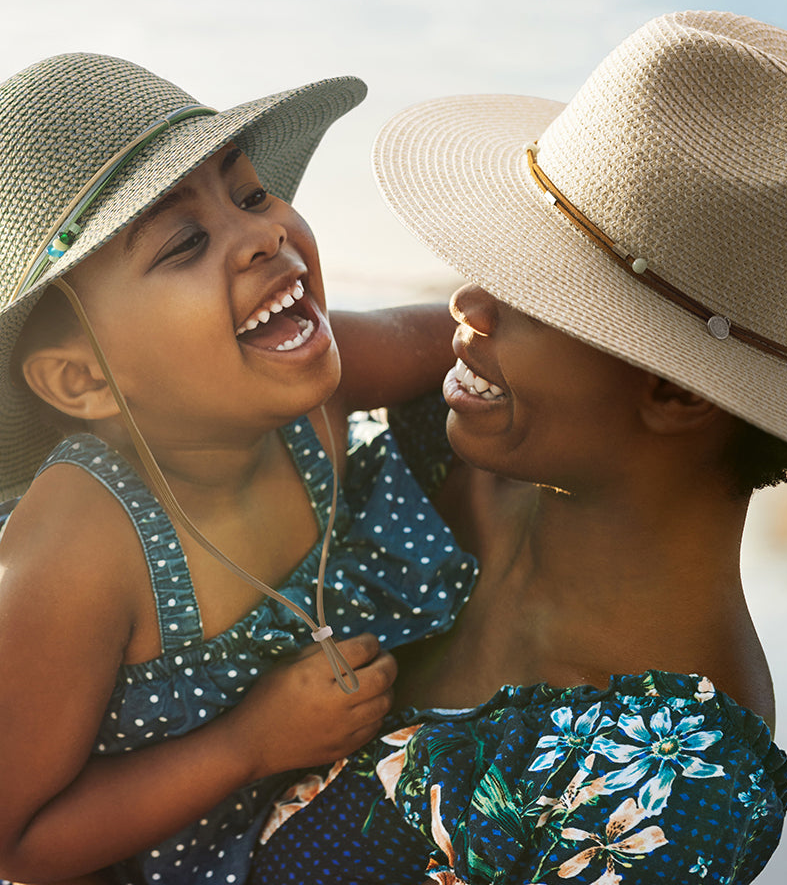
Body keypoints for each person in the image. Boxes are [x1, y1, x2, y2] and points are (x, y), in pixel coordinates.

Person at [249, 10, 787, 884]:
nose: (469, 302)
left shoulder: (669, 794)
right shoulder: (448, 429)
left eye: (538, 287)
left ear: (675, 389)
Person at [0, 54, 479, 885]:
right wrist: (245, 745)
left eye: (251, 193)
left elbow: (475, 337)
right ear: (84, 380)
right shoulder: (75, 549)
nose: (264, 234)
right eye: (184, 242)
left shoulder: (313, 385)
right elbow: (16, 846)